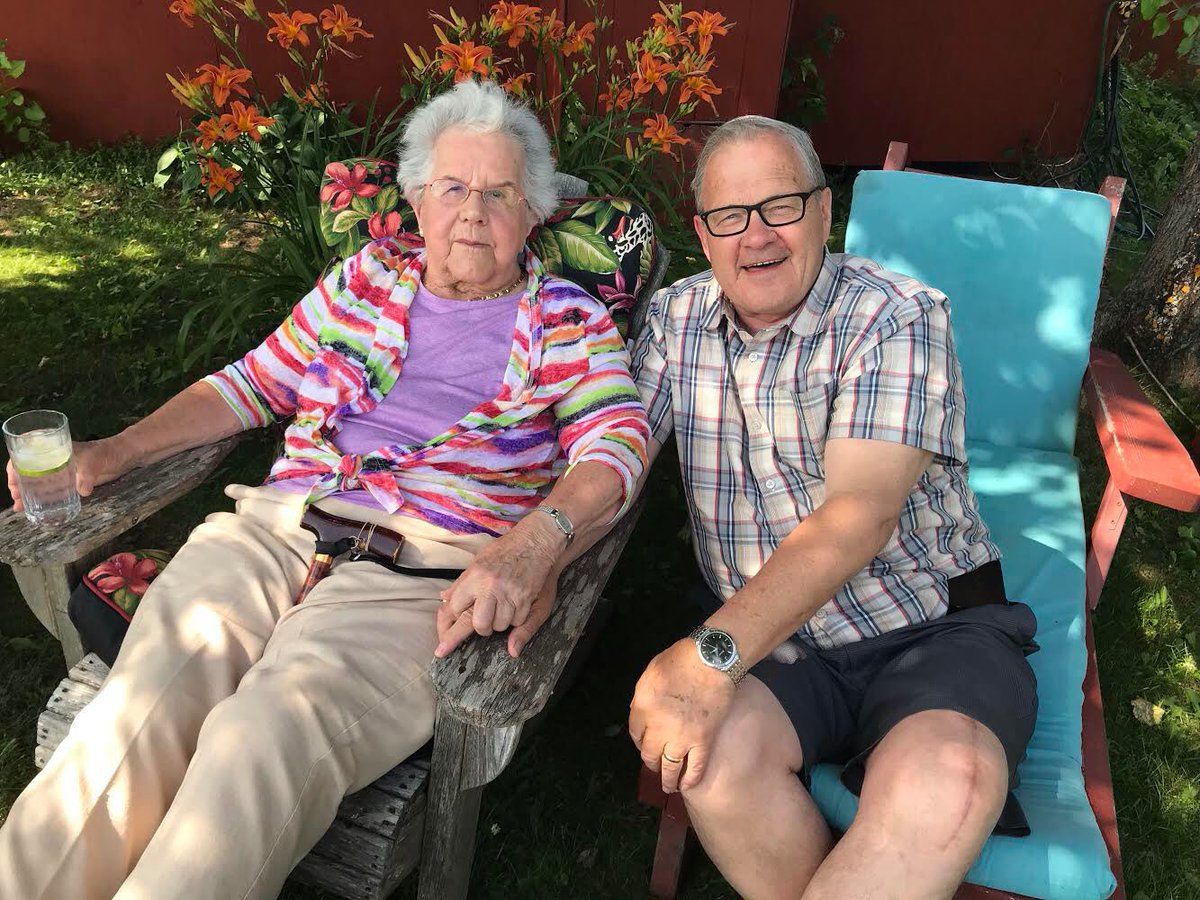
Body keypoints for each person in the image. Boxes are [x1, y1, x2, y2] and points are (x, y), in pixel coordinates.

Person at [0, 79, 649, 900]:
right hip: (270, 532)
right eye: (453, 187)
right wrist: (114, 452)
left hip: (417, 578)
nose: (473, 212)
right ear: (418, 201)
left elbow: (617, 446)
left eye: (499, 193)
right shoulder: (365, 280)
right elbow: (251, 384)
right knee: (138, 711)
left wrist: (535, 546)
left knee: (265, 734)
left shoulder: (568, 321)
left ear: (532, 215)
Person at [625, 116, 1039, 899]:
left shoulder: (895, 317)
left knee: (946, 785)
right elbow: (613, 458)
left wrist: (707, 658)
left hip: (927, 627)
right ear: (703, 235)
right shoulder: (676, 321)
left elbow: (860, 515)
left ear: (823, 212)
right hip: (777, 646)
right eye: (730, 216)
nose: (757, 236)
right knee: (712, 764)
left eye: (780, 206)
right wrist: (537, 538)